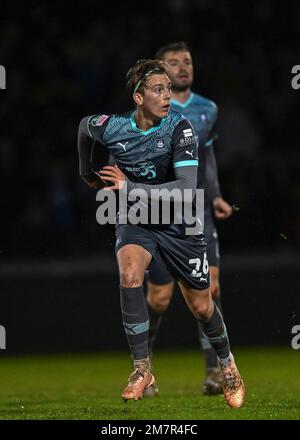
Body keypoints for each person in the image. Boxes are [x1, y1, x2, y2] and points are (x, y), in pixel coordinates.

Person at [77, 58, 245, 408]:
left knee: (201, 305)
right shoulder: (114, 127)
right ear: (138, 98)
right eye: (158, 89)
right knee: (129, 273)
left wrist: (127, 186)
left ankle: (228, 365)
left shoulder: (179, 129)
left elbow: (185, 190)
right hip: (137, 218)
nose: (167, 95)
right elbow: (84, 126)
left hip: (179, 222)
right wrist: (86, 172)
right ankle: (142, 369)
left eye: (169, 88)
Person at [144, 42, 233, 397]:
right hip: (162, 213)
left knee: (210, 288)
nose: (183, 67)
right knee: (159, 299)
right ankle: (144, 368)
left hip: (197, 210)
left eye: (188, 62)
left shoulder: (207, 108)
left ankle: (215, 372)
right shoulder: (150, 109)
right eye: (174, 63)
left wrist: (216, 196)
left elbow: (207, 157)